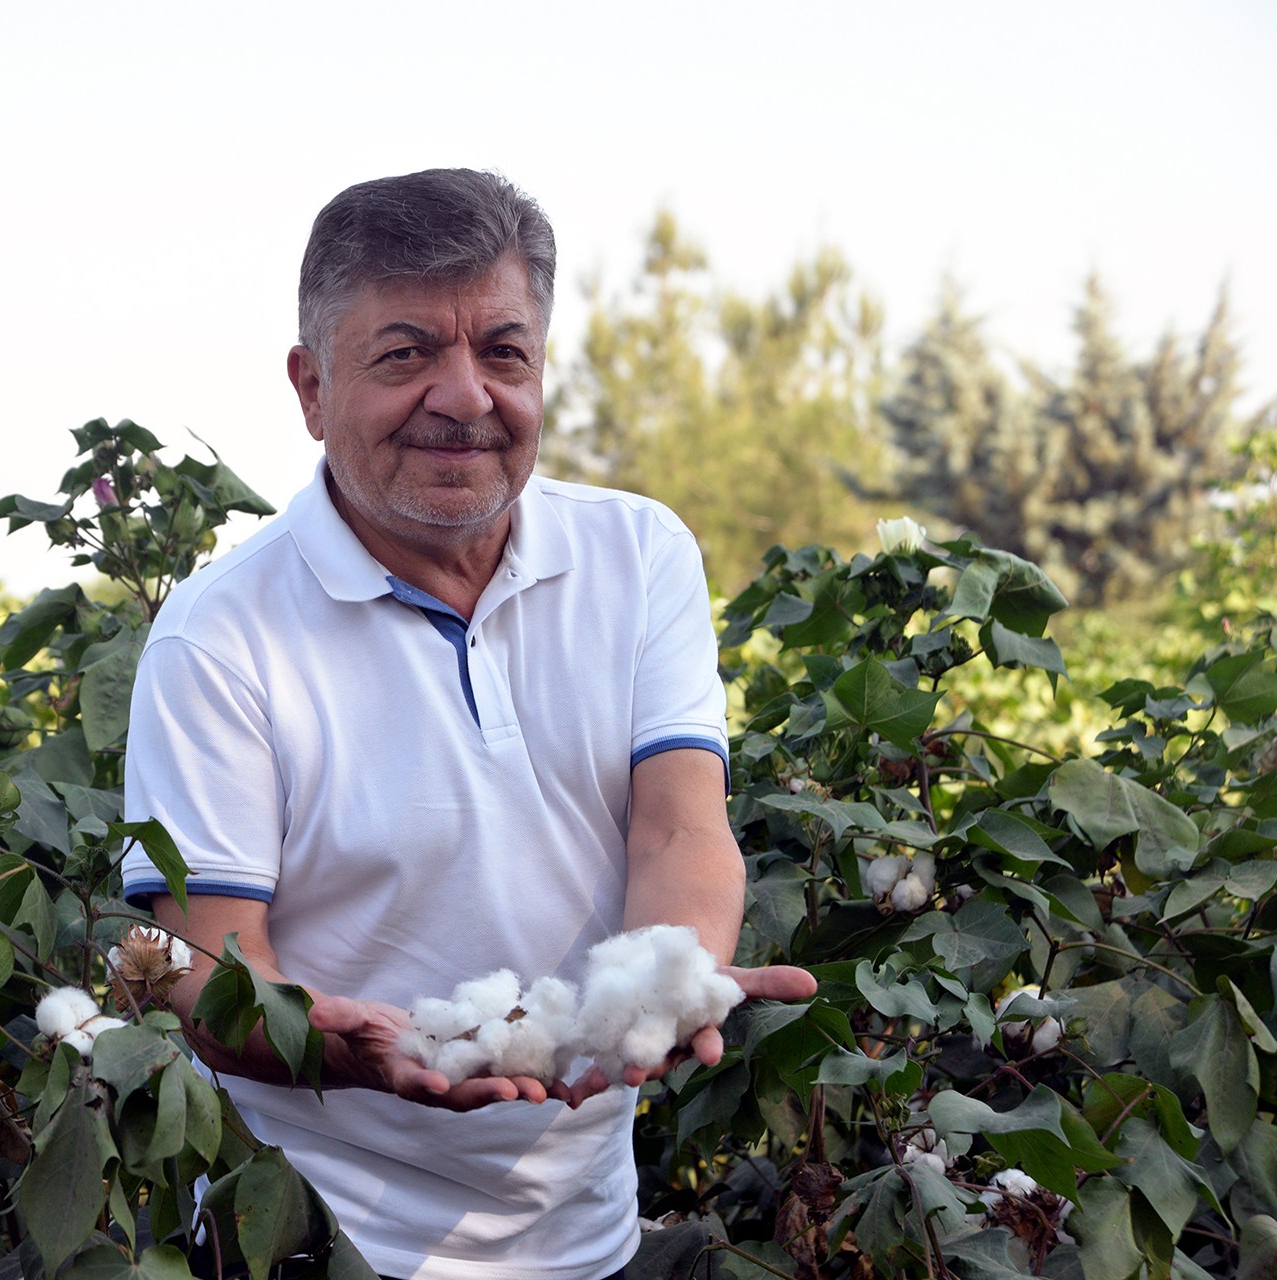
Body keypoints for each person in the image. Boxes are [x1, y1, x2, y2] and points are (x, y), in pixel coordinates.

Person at [121, 169, 816, 1280]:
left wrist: (671, 983)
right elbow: (200, 965)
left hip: (585, 1233)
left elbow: (678, 832)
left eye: (503, 351)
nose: (464, 396)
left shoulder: (638, 557)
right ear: (310, 386)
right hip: (317, 1239)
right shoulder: (222, 638)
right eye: (404, 355)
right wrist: (337, 1047)